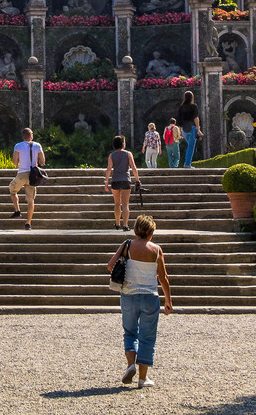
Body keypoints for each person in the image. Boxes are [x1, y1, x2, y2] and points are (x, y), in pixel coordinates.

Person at [107, 215, 173, 387]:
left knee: (129, 332)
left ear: (136, 230)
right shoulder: (156, 250)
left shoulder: (127, 245)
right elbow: (163, 278)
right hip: (150, 296)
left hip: (128, 294)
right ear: (151, 233)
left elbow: (110, 265)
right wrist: (168, 300)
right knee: (148, 337)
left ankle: (130, 366)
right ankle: (143, 378)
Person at [9, 127, 45, 229]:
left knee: (12, 190)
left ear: (23, 136)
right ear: (31, 136)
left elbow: (15, 161)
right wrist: (37, 163)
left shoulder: (18, 146)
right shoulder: (37, 145)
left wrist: (19, 165)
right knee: (30, 200)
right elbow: (42, 161)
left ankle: (17, 210)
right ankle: (28, 223)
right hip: (33, 175)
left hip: (22, 174)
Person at [103, 135, 140, 230]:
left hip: (115, 181)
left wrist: (106, 181)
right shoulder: (128, 154)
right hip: (125, 180)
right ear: (123, 144)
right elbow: (134, 168)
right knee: (125, 204)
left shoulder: (111, 155)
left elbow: (109, 169)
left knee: (116, 203)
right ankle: (125, 225)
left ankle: (117, 223)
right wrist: (137, 180)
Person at [176, 92, 202, 167]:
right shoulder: (193, 106)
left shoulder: (181, 107)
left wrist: (180, 131)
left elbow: (179, 120)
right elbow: (196, 118)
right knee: (191, 147)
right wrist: (198, 129)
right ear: (192, 97)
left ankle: (187, 163)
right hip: (191, 129)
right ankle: (187, 164)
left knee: (189, 147)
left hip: (184, 129)